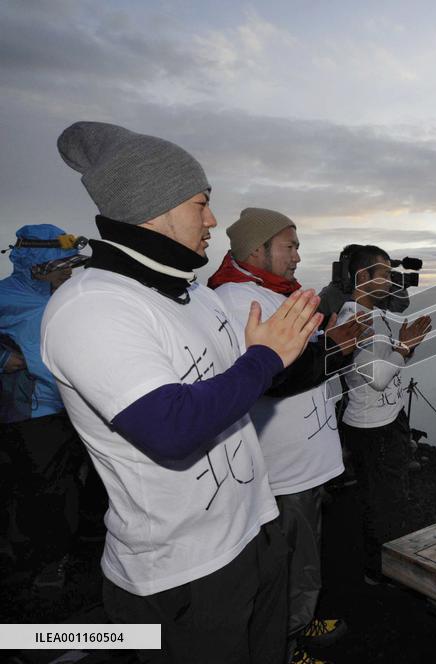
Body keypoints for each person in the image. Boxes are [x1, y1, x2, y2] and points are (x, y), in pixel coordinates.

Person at [42, 121, 323, 664]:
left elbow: (243, 386)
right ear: (156, 207)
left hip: (253, 533)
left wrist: (291, 354)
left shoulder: (195, 297)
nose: (213, 220)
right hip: (183, 572)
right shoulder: (93, 306)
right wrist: (265, 360)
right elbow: (170, 430)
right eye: (202, 203)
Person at [208, 208, 365, 663]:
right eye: (289, 245)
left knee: (302, 561)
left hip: (302, 464)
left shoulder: (275, 294)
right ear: (258, 249)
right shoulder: (242, 302)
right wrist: (334, 349)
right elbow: (272, 376)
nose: (298, 256)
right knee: (286, 567)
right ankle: (285, 646)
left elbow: (303, 362)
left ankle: (298, 622)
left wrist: (334, 346)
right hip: (284, 469)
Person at [0, 224, 90, 588]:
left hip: (69, 409)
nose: (69, 270)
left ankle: (51, 555)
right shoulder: (8, 296)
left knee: (63, 485)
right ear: (38, 264)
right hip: (32, 413)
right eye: (62, 263)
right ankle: (47, 564)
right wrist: (5, 359)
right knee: (41, 490)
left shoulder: (65, 295)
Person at [334, 245, 431, 582]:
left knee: (384, 497)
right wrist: (404, 348)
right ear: (363, 277)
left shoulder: (371, 315)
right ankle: (377, 572)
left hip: (383, 421)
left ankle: (379, 565)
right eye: (385, 274)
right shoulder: (356, 321)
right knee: (382, 502)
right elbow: (376, 378)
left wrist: (404, 347)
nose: (392, 281)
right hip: (374, 429)